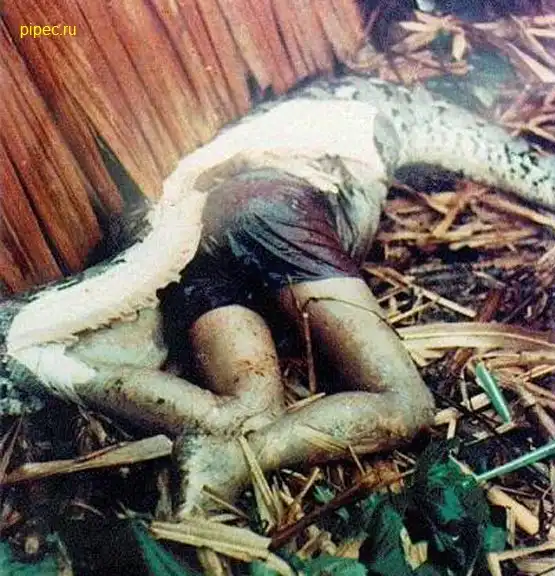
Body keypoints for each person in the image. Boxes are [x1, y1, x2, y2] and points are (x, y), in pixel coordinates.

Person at [152, 158, 435, 516]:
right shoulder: (366, 141)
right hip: (272, 208)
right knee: (407, 403)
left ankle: (81, 377)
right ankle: (238, 461)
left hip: (190, 232)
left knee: (251, 411)